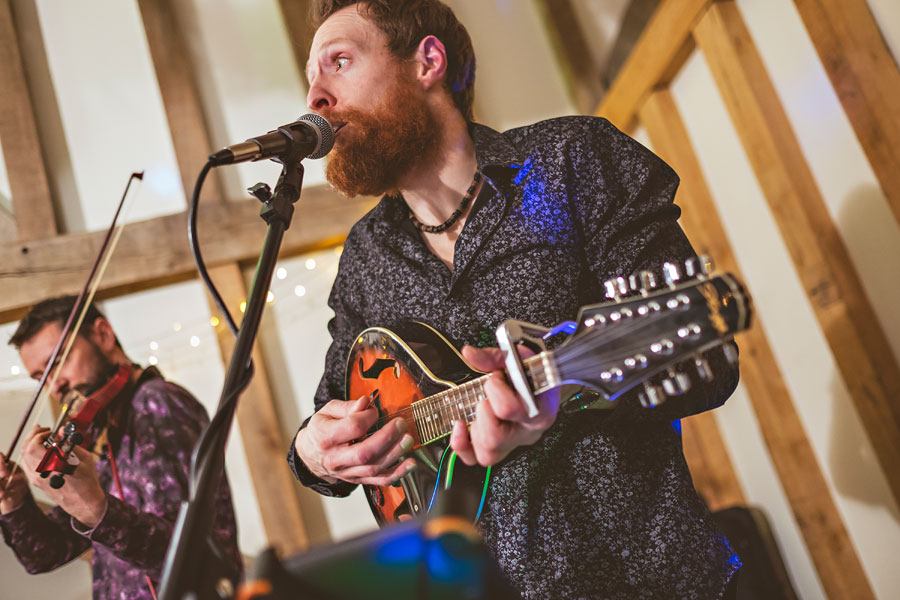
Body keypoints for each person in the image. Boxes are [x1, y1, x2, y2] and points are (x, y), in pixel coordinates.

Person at [288, 1, 742, 598]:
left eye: (338, 62)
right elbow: (332, 414)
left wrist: (563, 395)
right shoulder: (364, 258)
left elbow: (709, 363)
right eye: (310, 79)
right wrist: (313, 454)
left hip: (653, 578)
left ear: (427, 61)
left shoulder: (573, 160)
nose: (316, 96)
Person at [0, 296, 243, 600]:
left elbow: (187, 555)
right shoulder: (97, 431)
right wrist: (15, 503)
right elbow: (46, 554)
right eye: (40, 377)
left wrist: (98, 510)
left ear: (102, 335)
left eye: (59, 361)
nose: (54, 385)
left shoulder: (156, 403)